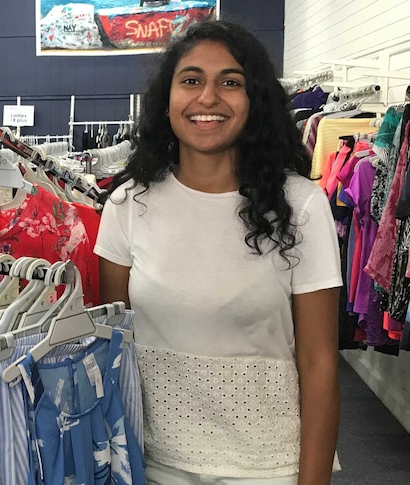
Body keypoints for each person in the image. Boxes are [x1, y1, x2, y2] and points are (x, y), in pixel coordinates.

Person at [94, 20, 342, 484]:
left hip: (268, 468)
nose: (208, 97)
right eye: (191, 81)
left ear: (255, 103)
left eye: (231, 82)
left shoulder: (301, 207)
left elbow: (319, 361)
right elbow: (116, 347)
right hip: (153, 466)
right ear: (166, 101)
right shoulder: (129, 205)